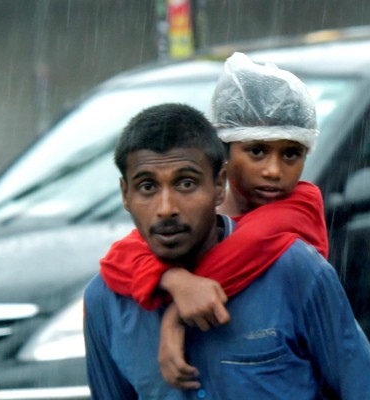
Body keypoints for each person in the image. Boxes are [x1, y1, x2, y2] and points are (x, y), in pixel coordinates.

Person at [83, 102, 370, 399]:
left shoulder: (295, 270)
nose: (166, 209)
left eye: (186, 184)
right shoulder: (104, 300)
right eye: (148, 187)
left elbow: (367, 391)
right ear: (125, 194)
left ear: (219, 186)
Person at [98, 53, 332, 388]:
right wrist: (175, 281)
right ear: (222, 152)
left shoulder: (300, 206)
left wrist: (176, 316)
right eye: (257, 151)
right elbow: (117, 259)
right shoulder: (197, 215)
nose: (273, 170)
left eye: (291, 153)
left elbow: (247, 246)